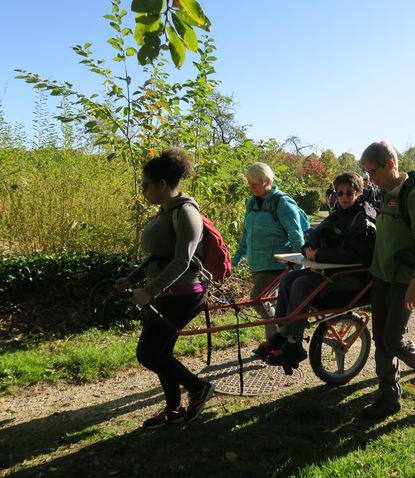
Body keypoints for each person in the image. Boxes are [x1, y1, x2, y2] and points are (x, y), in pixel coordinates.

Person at [114, 148, 213, 429]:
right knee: (161, 353)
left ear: (162, 184)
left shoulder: (187, 213)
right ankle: (173, 407)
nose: (143, 190)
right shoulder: (166, 210)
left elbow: (182, 260)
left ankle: (198, 388)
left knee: (148, 352)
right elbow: (159, 255)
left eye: (146, 185)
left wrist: (149, 291)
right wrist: (133, 279)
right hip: (167, 294)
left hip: (185, 294)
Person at [359, 140, 415, 420]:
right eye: (367, 174)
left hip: (403, 281)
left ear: (391, 165)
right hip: (381, 277)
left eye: (373, 172)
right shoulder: (383, 193)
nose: (371, 179)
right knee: (382, 340)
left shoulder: (412, 195)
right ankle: (388, 397)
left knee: (393, 339)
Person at [257, 172, 377, 369]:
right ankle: (282, 334)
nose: (344, 197)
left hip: (354, 279)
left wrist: (318, 255)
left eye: (349, 193)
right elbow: (314, 234)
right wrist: (307, 249)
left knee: (302, 284)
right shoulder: (337, 214)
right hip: (333, 272)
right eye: (340, 193)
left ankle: (294, 345)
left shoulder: (362, 219)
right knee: (289, 279)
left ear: (358, 193)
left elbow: (353, 256)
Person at [231, 163, 306, 338]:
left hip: (276, 265)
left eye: (255, 183)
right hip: (257, 264)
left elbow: (296, 237)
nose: (251, 187)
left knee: (257, 300)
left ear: (267, 181)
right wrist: (235, 260)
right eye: (249, 183)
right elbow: (246, 235)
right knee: (270, 303)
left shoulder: (283, 203)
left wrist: (296, 267)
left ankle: (280, 335)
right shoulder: (252, 202)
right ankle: (276, 342)